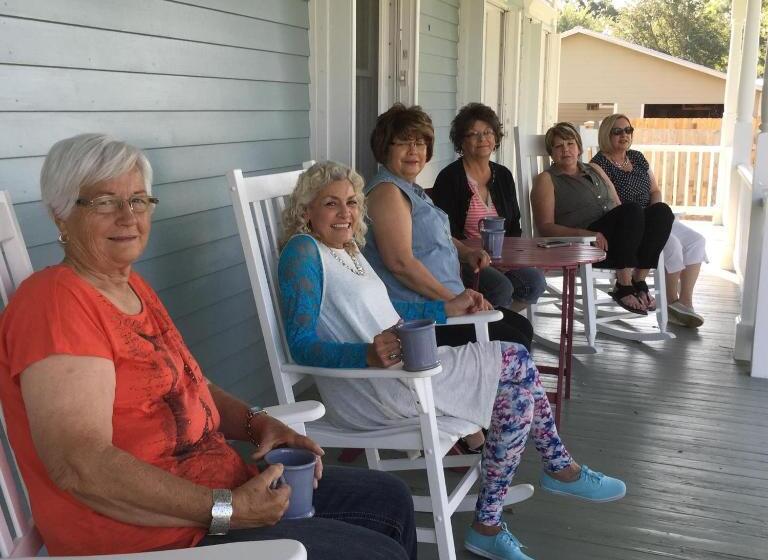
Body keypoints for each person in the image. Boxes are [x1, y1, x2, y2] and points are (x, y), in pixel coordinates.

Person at [0, 134, 417, 560]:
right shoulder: (55, 302)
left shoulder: (130, 286)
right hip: (156, 542)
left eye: (140, 201)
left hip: (220, 495)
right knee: (375, 552)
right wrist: (228, 511)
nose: (128, 217)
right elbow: (80, 465)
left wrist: (258, 423)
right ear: (60, 215)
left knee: (389, 499)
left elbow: (192, 384)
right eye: (105, 202)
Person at [277, 160, 627, 560]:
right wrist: (367, 354)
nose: (345, 213)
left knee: (516, 393)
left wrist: (449, 308)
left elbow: (389, 308)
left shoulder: (348, 249)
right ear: (306, 210)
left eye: (352, 203)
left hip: (406, 372)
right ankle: (555, 470)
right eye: (331, 204)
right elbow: (301, 344)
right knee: (514, 358)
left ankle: (492, 521)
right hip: (374, 388)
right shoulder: (303, 252)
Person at [362, 103, 533, 353]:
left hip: (444, 303)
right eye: (403, 143)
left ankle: (492, 390)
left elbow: (434, 234)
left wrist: (465, 252)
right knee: (511, 341)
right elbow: (400, 264)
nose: (414, 151)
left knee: (521, 328)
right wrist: (452, 300)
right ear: (384, 148)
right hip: (421, 318)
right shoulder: (387, 193)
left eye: (420, 144)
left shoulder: (409, 188)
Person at [531, 122, 674, 315]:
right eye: (558, 146)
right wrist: (587, 233)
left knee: (661, 211)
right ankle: (623, 285)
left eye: (570, 143)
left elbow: (616, 205)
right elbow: (545, 227)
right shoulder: (546, 179)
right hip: (585, 245)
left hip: (617, 242)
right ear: (552, 153)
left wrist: (633, 229)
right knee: (631, 210)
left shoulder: (594, 169)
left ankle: (638, 280)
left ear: (579, 148)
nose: (565, 149)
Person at [591, 114, 707, 327]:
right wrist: (649, 223)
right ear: (606, 135)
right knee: (672, 244)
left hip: (653, 218)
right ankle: (670, 301)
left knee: (696, 240)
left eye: (628, 130)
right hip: (630, 224)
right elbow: (615, 204)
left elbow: (655, 190)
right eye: (617, 131)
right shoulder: (598, 164)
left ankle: (686, 302)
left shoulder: (637, 157)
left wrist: (657, 217)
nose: (624, 135)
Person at [431, 102, 546, 312]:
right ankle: (494, 330)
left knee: (535, 280)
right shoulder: (450, 178)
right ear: (461, 142)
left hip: (502, 258)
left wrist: (510, 258)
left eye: (487, 132)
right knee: (501, 287)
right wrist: (470, 254)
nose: (482, 139)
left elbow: (513, 225)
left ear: (495, 138)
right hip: (465, 259)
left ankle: (498, 322)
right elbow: (444, 233)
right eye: (473, 134)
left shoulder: (503, 175)